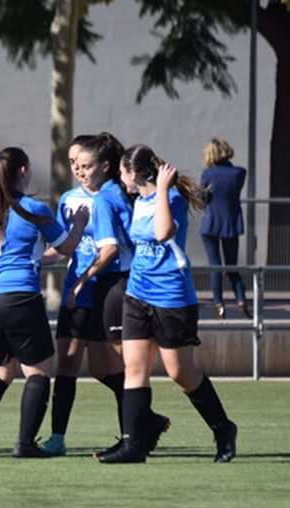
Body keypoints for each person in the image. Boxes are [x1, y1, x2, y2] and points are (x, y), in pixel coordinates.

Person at [101, 144, 238, 464]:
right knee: (134, 369)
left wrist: (162, 189)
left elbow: (163, 233)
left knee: (181, 372)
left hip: (172, 296)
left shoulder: (171, 199)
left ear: (134, 173)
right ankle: (133, 446)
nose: (121, 179)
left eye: (122, 172)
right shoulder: (138, 203)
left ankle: (223, 428)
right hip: (137, 294)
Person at [43, 133, 169, 458]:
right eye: (73, 163)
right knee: (69, 362)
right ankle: (58, 437)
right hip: (81, 287)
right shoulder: (70, 199)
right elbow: (64, 246)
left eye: (83, 164)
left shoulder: (110, 197)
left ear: (102, 165)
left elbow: (112, 249)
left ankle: (137, 429)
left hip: (103, 286)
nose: (78, 170)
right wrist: (32, 259)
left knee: (108, 368)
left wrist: (82, 281)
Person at [0, 147, 88, 458]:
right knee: (38, 372)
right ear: (22, 171)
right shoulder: (35, 209)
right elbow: (69, 246)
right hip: (17, 297)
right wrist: (80, 223)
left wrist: (34, 259)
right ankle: (25, 443)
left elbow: (24, 253)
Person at [199, 138, 250, 320]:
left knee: (215, 266)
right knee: (232, 266)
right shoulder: (239, 173)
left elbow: (202, 198)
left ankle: (219, 305)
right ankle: (241, 301)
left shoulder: (208, 174)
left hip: (211, 222)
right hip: (231, 223)